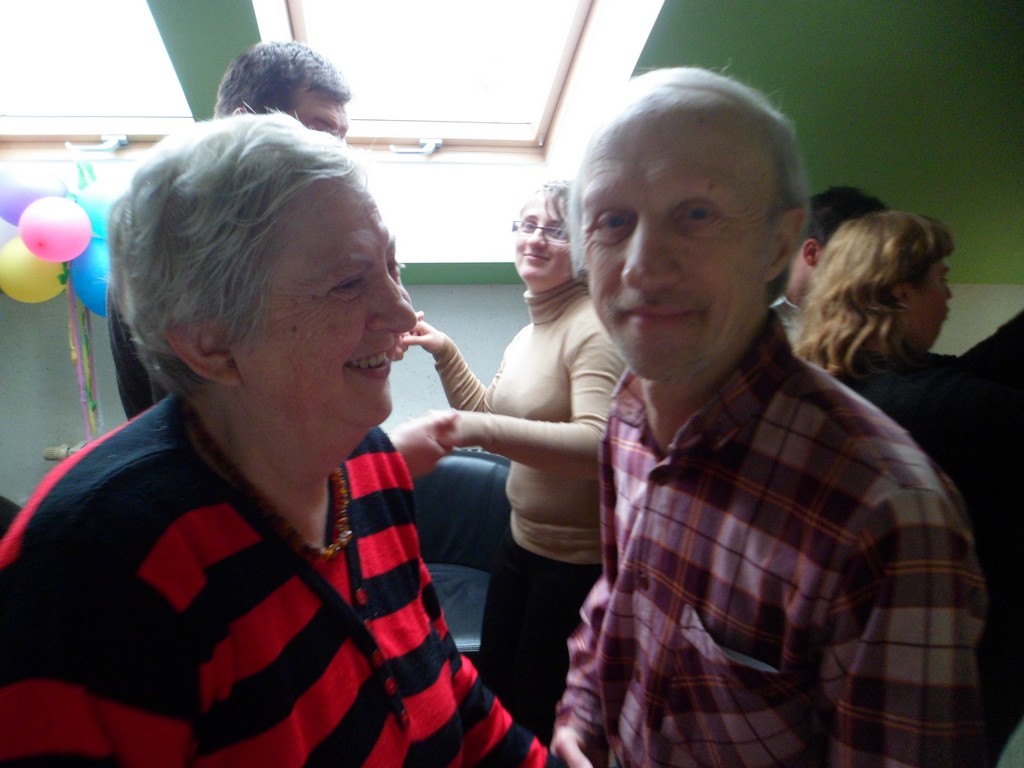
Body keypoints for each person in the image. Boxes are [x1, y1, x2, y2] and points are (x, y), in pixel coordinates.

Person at [0, 113, 559, 767]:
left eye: (393, 265)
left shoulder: (367, 460)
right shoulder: (96, 569)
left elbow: (443, 679)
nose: (403, 313)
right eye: (349, 282)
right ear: (210, 342)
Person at [550, 67, 988, 768]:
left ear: (780, 246)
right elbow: (621, 593)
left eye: (696, 214)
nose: (641, 266)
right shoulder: (630, 414)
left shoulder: (888, 517)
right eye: (612, 220)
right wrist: (581, 715)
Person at [395, 181, 624, 743]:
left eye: (556, 230)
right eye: (527, 225)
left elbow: (599, 446)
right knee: (495, 694)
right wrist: (445, 352)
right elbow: (487, 416)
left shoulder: (594, 330)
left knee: (539, 714)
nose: (536, 239)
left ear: (585, 245)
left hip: (574, 566)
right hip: (521, 546)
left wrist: (476, 429)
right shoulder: (530, 333)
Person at [794, 209, 1024, 759]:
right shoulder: (955, 410)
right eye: (940, 279)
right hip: (951, 680)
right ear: (902, 293)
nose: (948, 297)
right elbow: (966, 391)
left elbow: (976, 368)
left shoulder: (812, 390)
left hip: (830, 665)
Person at [107, 40, 386, 419]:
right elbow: (181, 423)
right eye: (320, 132)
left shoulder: (301, 241)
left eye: (341, 136)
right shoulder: (173, 249)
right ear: (244, 122)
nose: (337, 153)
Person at [773, 185, 886, 340]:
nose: (867, 275)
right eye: (857, 261)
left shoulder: (865, 322)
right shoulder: (749, 314)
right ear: (812, 253)